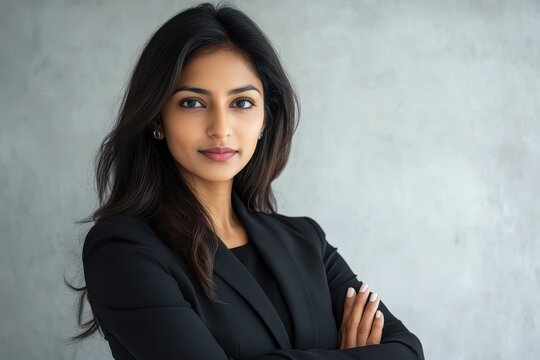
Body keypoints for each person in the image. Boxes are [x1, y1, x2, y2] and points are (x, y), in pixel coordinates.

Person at [69, 2, 424, 359]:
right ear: (157, 119)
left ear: (265, 120)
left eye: (241, 103)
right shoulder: (123, 250)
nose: (220, 129)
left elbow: (407, 351)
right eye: (192, 103)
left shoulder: (305, 241)